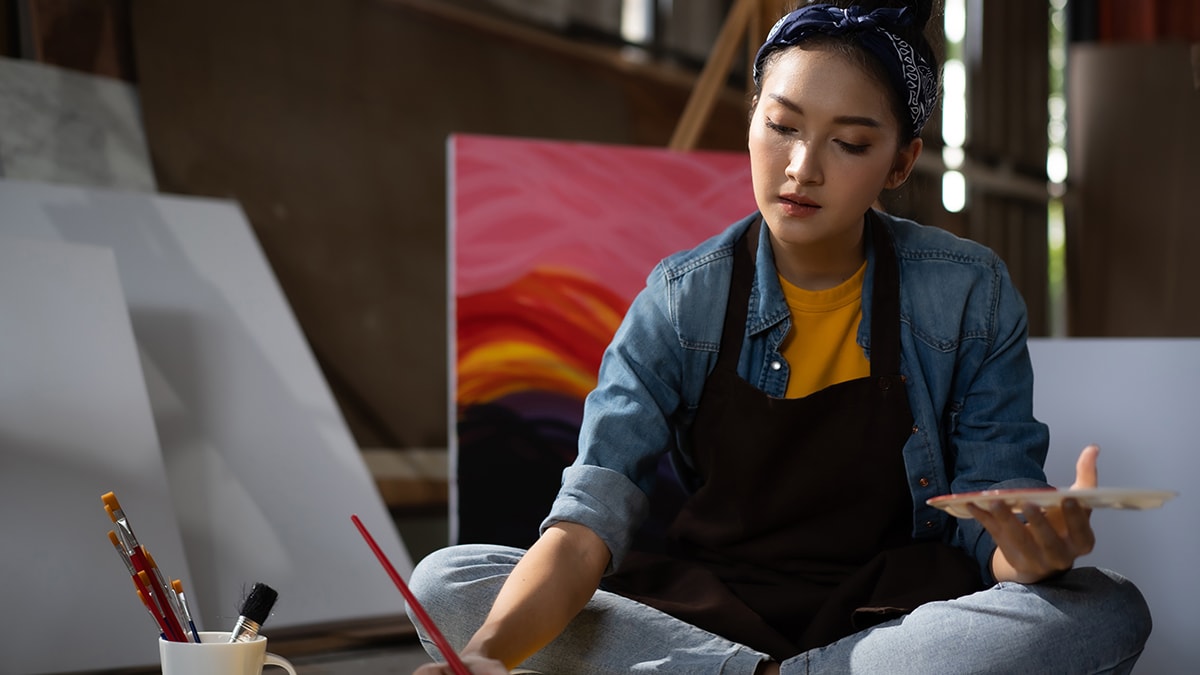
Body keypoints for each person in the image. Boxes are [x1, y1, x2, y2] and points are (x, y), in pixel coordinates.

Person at [409, 1, 1152, 673]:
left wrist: (1025, 557)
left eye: (850, 143)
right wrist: (481, 660)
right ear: (753, 117)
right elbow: (584, 527)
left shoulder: (968, 293)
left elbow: (992, 515)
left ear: (901, 162)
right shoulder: (680, 298)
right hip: (710, 609)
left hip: (893, 617)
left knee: (1104, 607)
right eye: (784, 125)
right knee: (449, 581)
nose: (802, 168)